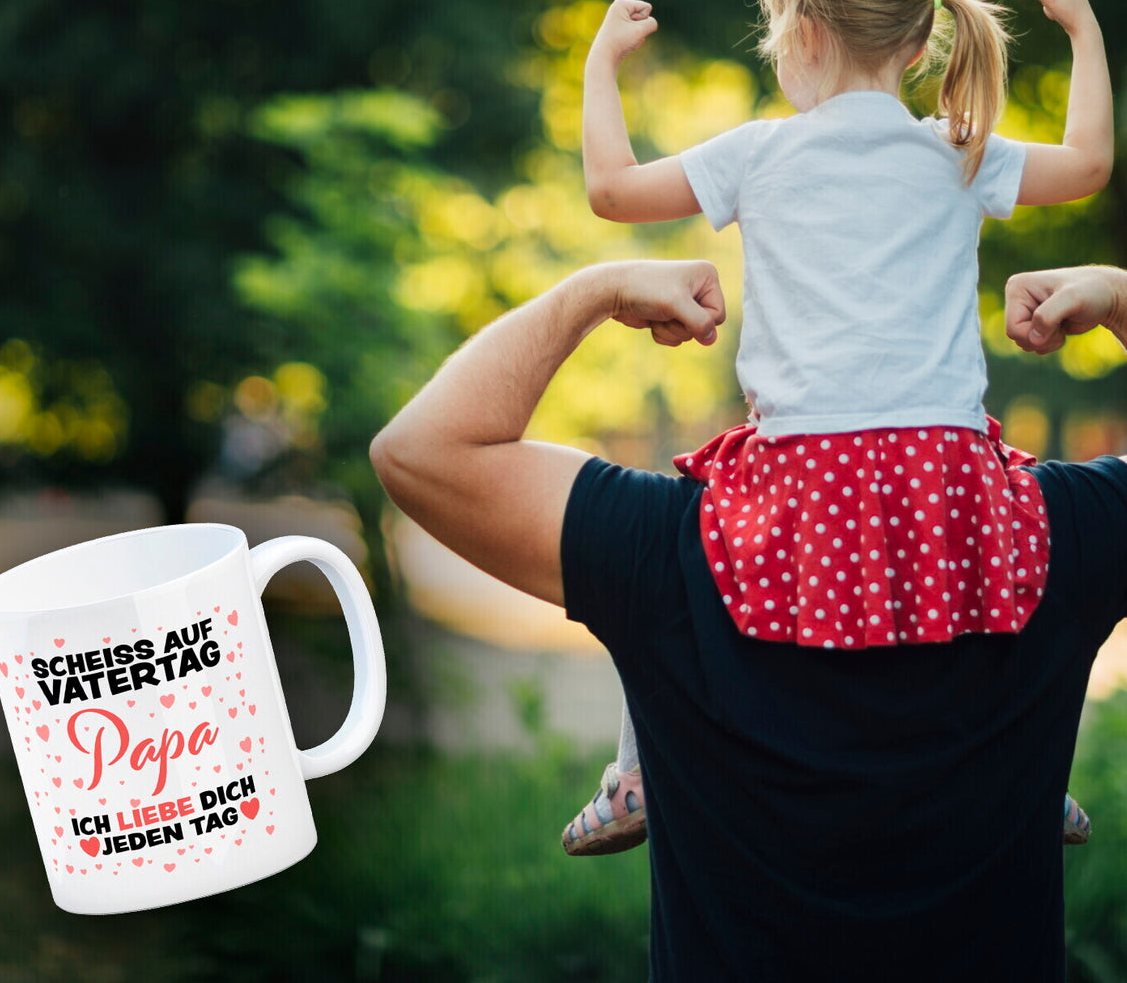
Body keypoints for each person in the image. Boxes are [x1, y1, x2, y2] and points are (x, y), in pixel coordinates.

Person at [371, 259, 1127, 983]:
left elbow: (420, 450)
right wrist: (1121, 298)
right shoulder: (1050, 534)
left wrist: (592, 293)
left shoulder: (673, 545)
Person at [564, 0, 1112, 854]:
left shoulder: (756, 154)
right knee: (1019, 559)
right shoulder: (959, 148)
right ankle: (1035, 774)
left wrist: (599, 61)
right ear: (916, 39)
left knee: (666, 555)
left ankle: (637, 772)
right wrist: (1082, 35)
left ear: (797, 32)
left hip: (802, 470)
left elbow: (609, 189)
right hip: (942, 465)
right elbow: (1086, 163)